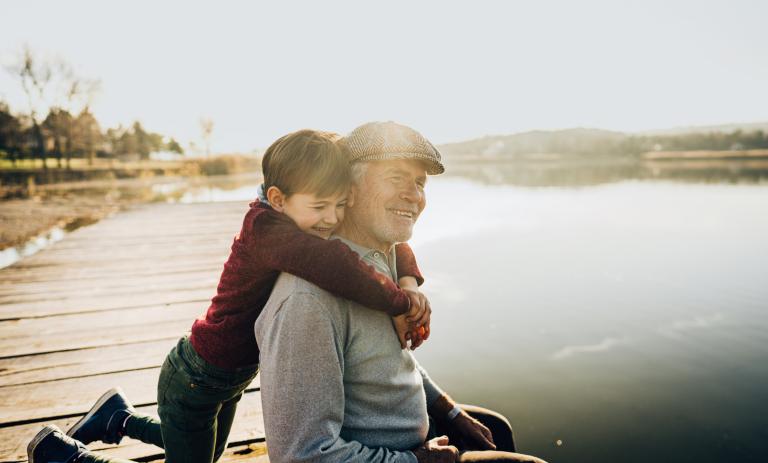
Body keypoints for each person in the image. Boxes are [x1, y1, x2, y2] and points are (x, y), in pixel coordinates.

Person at [27, 129, 434, 463]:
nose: (332, 219)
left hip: (227, 378)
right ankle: (67, 458)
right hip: (195, 380)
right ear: (278, 199)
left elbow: (389, 242)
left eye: (341, 205)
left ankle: (118, 418)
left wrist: (409, 281)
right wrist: (398, 302)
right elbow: (336, 264)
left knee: (201, 447)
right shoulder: (271, 231)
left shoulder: (299, 216)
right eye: (322, 206)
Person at [255, 121, 548, 463]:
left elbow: (387, 362)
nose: (414, 196)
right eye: (396, 178)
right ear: (348, 187)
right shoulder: (307, 301)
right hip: (392, 456)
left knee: (494, 428)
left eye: (420, 183)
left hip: (415, 438)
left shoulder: (380, 262)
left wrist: (449, 411)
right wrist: (420, 461)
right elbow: (301, 455)